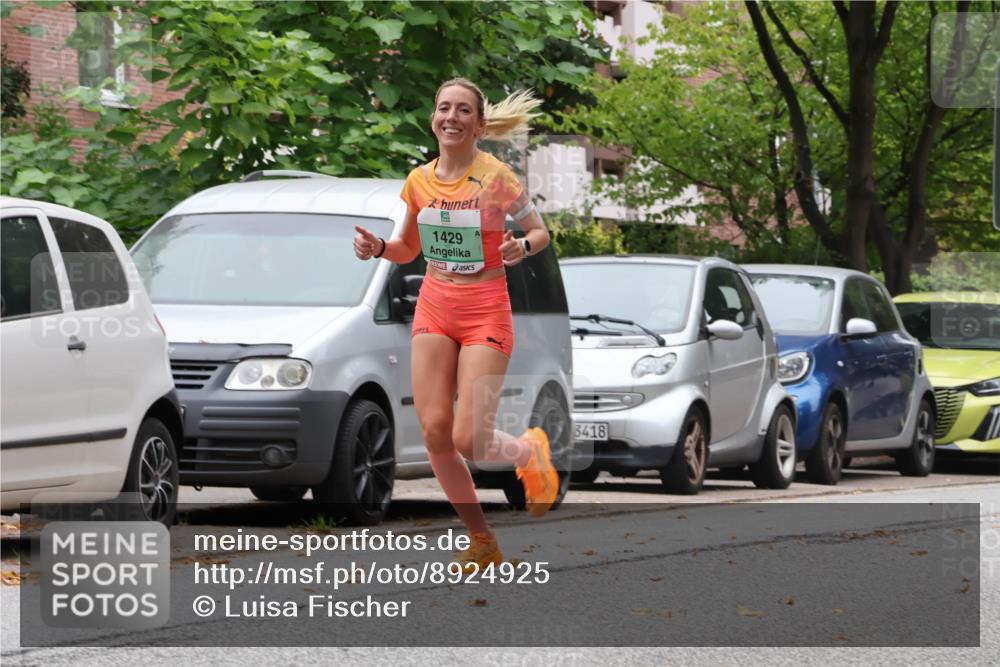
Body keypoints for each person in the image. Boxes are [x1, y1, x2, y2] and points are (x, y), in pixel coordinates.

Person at [353, 78, 558, 571]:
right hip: (435, 305)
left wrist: (520, 247)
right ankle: (481, 539)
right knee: (436, 432)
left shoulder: (496, 179)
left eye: (463, 110)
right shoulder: (418, 180)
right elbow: (408, 249)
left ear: (479, 124)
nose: (451, 116)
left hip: (486, 306)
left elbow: (540, 232)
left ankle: (528, 452)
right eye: (443, 107)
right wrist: (379, 248)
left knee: (471, 439)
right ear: (434, 119)